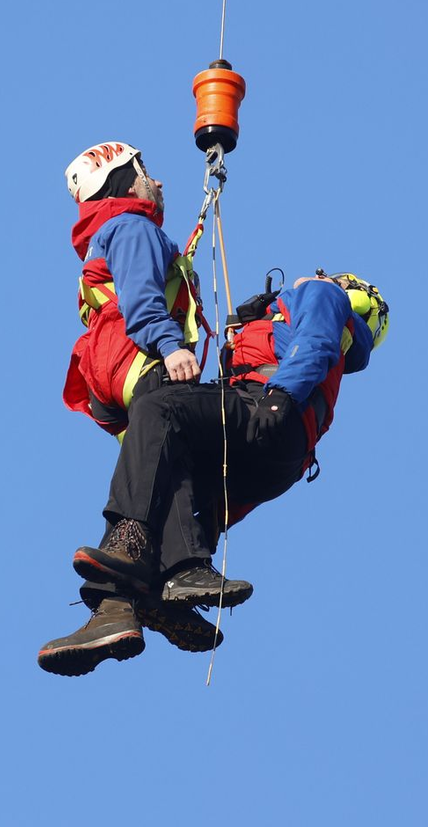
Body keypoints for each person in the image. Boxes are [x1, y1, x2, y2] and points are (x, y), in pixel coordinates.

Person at [37, 141, 389, 677]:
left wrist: (277, 395)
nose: (158, 182)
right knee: (171, 464)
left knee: (160, 417)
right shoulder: (274, 326)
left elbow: (313, 346)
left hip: (266, 410)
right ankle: (138, 601)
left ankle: (153, 564)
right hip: (276, 453)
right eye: (147, 172)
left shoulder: (319, 295)